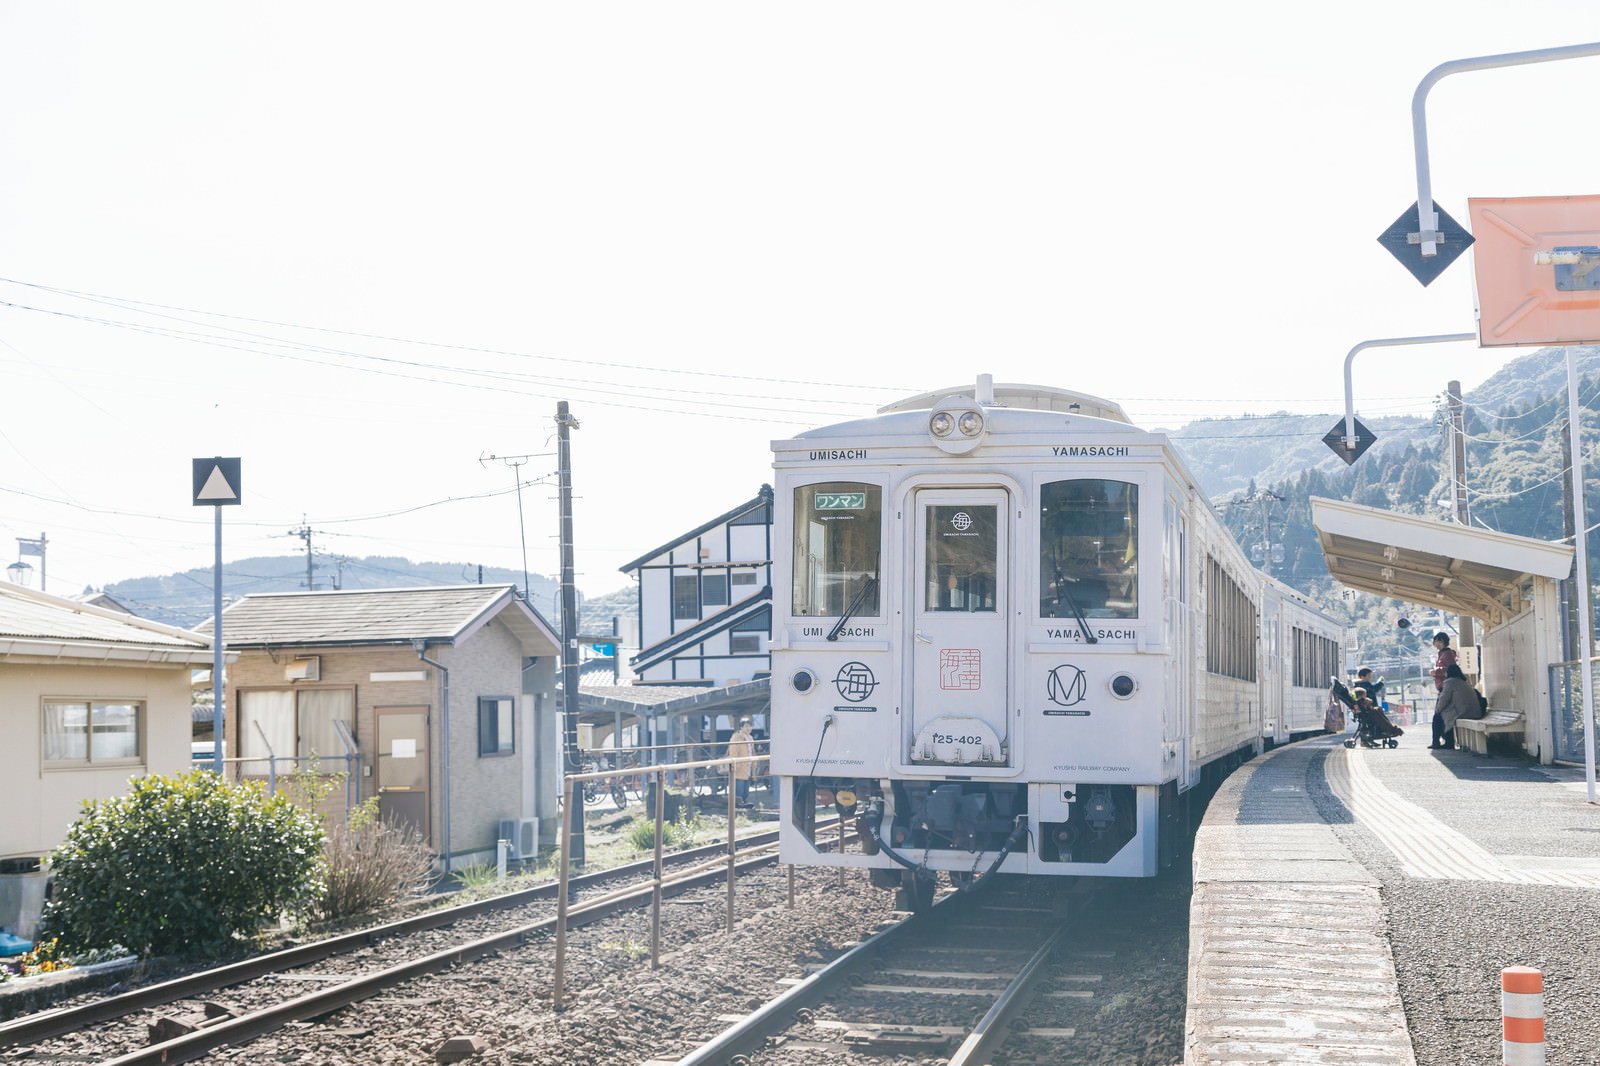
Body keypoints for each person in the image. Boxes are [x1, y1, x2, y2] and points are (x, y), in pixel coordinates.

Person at [1432, 662, 1477, 749]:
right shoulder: (1463, 682)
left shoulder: (1450, 682)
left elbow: (1443, 699)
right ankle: (1447, 742)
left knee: (1438, 717)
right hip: (1473, 711)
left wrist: (1437, 710)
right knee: (1446, 715)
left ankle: (1437, 743)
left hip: (1464, 712)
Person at [726, 719, 756, 808]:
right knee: (738, 791)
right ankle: (737, 810)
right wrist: (736, 764)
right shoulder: (736, 737)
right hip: (739, 767)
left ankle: (744, 808)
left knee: (745, 791)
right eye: (746, 726)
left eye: (750, 726)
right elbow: (733, 752)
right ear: (741, 727)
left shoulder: (750, 737)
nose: (748, 728)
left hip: (748, 768)